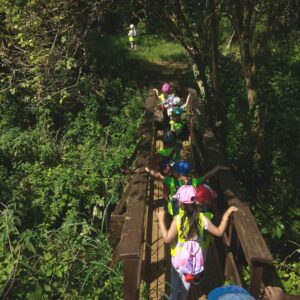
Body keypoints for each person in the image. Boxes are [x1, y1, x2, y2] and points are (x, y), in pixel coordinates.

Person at [157, 185, 238, 300]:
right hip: (191, 263)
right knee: (185, 290)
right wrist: (226, 215)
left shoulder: (178, 219)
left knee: (174, 288)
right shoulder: (202, 218)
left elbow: (167, 239)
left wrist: (161, 220)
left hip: (178, 260)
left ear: (181, 204)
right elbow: (219, 232)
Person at [145, 161, 228, 216]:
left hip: (175, 209)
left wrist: (147, 169)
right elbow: (207, 175)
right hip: (190, 209)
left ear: (177, 174)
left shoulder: (171, 182)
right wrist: (218, 168)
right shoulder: (194, 181)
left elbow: (158, 175)